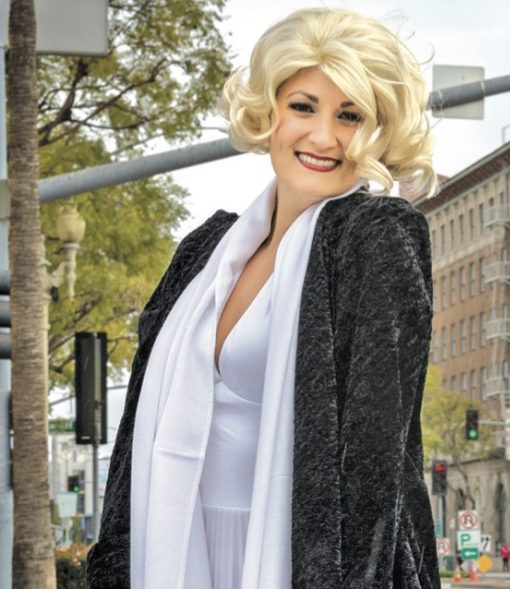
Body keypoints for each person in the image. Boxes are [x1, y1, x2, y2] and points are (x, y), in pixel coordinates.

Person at [86, 8, 439, 589]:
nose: (322, 136)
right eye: (303, 106)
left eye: (349, 115)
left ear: (378, 129)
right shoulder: (204, 252)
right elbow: (131, 446)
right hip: (176, 552)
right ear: (269, 111)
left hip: (293, 565)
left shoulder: (374, 238)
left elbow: (375, 472)